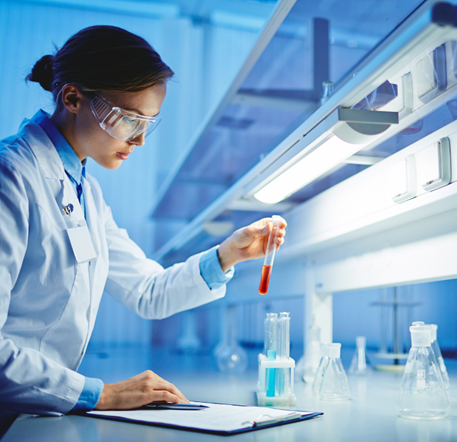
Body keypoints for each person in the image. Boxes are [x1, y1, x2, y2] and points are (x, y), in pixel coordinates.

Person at [0, 25, 286, 421]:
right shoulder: (11, 176)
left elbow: (147, 292)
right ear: (72, 98)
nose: (140, 141)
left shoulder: (86, 194)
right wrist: (100, 395)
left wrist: (226, 256)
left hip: (31, 411)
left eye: (147, 124)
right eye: (129, 119)